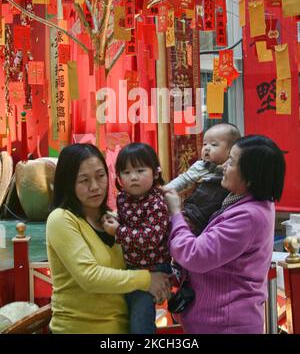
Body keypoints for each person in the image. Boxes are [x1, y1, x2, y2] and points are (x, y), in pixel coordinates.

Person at [164, 135, 285, 334]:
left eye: (232, 162)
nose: (223, 166)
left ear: (250, 176)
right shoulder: (248, 202)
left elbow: (194, 255)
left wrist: (176, 213)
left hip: (224, 323)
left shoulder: (248, 216)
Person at [46, 143, 170, 334]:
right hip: (80, 329)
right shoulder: (62, 219)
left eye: (100, 176)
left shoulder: (114, 219)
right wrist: (147, 280)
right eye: (84, 180)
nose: (95, 187)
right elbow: (90, 277)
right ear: (68, 182)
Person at [102, 142, 171, 334]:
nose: (133, 177)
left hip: (153, 266)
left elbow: (150, 238)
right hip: (132, 267)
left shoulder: (156, 203)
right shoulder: (123, 198)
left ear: (155, 173)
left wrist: (118, 232)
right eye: (126, 172)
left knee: (140, 325)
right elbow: (126, 222)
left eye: (140, 170)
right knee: (127, 317)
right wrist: (114, 219)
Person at [164, 123, 241, 235]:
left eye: (214, 145)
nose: (207, 148)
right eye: (205, 144)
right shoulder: (201, 166)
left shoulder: (235, 170)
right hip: (194, 215)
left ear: (231, 150)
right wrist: (165, 190)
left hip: (218, 219)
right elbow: (183, 180)